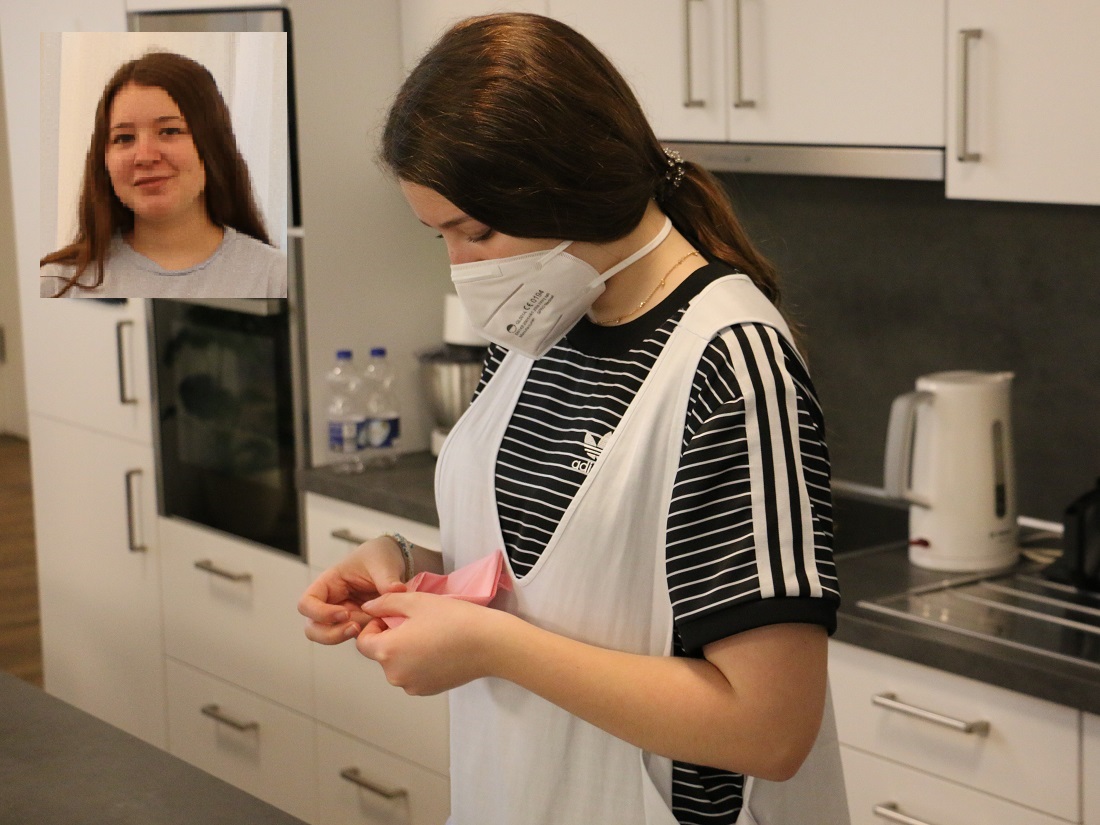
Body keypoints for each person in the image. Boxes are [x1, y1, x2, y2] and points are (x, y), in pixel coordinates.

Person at [299, 13, 847, 825]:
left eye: (475, 231)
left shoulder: (731, 366)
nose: (461, 266)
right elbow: (585, 580)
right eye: (439, 235)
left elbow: (769, 726)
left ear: (567, 184)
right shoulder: (539, 317)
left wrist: (487, 647)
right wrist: (411, 560)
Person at [40, 50, 286, 298]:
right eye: (124, 138)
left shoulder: (277, 280)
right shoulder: (56, 284)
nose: (145, 156)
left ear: (212, 145)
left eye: (170, 131)